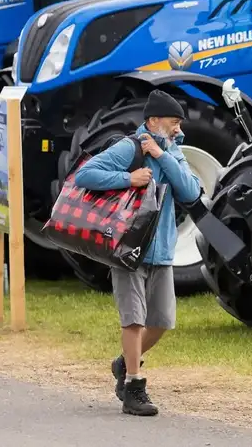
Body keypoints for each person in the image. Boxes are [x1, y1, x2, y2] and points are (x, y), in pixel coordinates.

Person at [73, 90, 201, 416]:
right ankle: (134, 385)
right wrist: (128, 178)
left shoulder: (173, 152)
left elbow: (189, 190)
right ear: (154, 120)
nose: (177, 129)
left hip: (162, 252)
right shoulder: (128, 147)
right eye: (173, 122)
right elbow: (85, 175)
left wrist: (162, 154)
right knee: (133, 318)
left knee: (161, 321)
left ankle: (123, 362)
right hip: (128, 248)